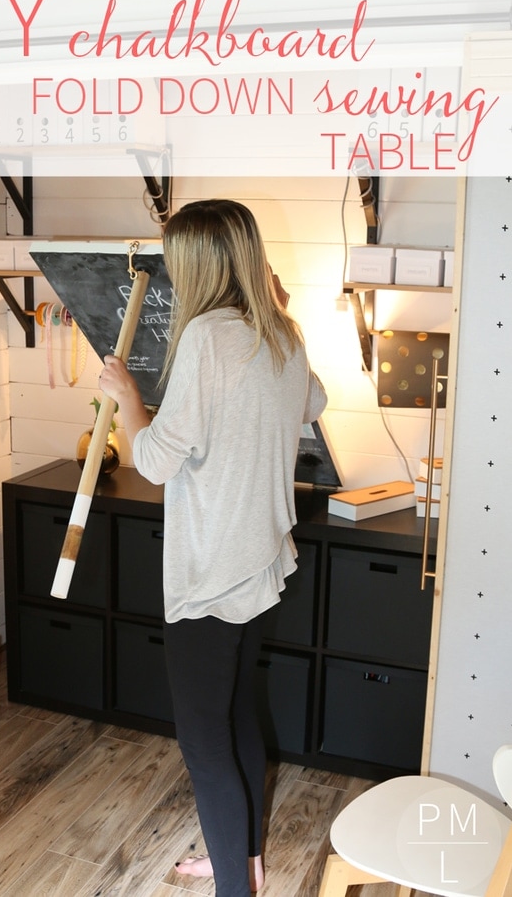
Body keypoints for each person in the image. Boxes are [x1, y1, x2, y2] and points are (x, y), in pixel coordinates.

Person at [99, 199, 327, 897]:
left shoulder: (206, 336)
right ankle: (244, 861)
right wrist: (282, 312)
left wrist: (128, 402)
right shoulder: (280, 333)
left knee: (205, 743)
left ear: (199, 263)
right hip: (259, 567)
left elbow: (158, 461)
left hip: (210, 575)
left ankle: (237, 886)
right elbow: (312, 403)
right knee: (237, 717)